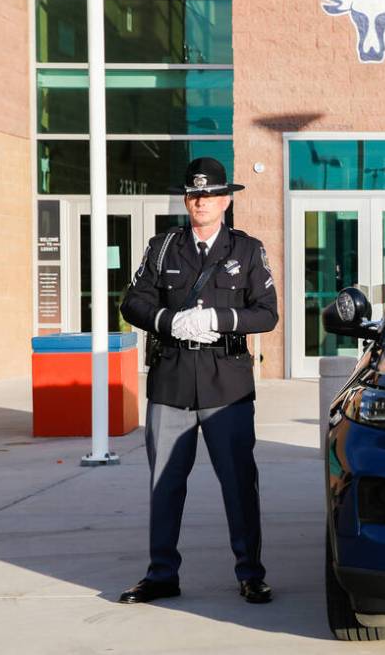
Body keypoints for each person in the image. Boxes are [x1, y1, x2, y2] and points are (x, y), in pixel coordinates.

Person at [118, 157, 278, 605]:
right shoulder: (164, 247)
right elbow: (133, 302)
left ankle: (251, 573)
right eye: (193, 194)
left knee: (238, 482)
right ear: (186, 199)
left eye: (209, 194)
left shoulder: (246, 250)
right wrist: (169, 320)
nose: (200, 201)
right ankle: (161, 573)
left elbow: (266, 313)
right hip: (171, 380)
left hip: (225, 382)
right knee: (165, 482)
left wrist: (221, 317)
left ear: (227, 199)